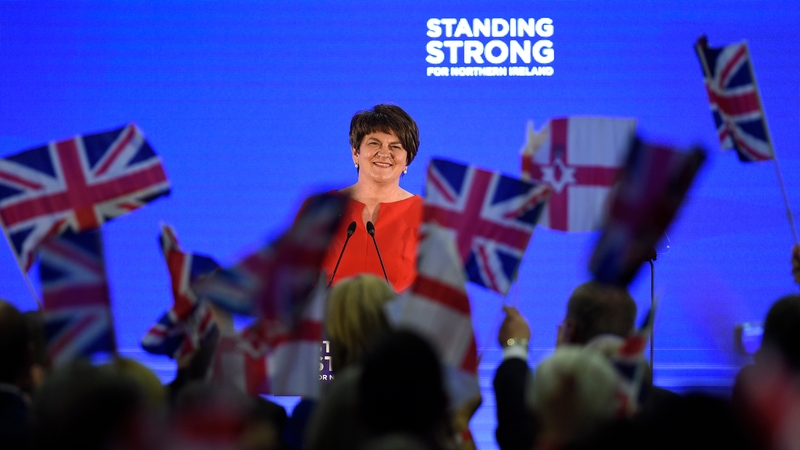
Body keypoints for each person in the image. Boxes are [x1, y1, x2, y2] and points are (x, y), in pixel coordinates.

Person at [323, 104, 423, 292]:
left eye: (396, 146)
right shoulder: (325, 208)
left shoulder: (425, 215)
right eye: (374, 143)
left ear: (407, 160)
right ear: (356, 153)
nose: (384, 153)